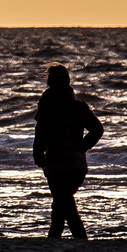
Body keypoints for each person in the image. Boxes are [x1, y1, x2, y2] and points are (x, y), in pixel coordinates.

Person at [33, 64, 103, 240]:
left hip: (57, 165)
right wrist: (81, 147)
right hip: (76, 166)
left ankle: (79, 238)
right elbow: (97, 129)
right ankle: (55, 239)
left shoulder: (47, 105)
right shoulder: (78, 105)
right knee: (62, 204)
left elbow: (40, 134)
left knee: (64, 205)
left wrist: (38, 156)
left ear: (49, 82)